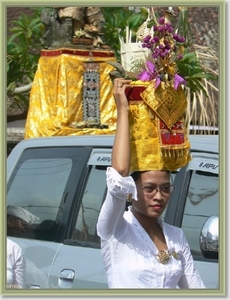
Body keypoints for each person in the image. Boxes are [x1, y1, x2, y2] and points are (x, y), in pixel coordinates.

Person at [96, 78, 206, 288]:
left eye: (165, 188)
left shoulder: (176, 236)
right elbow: (119, 175)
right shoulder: (115, 229)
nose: (158, 196)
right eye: (149, 189)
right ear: (132, 191)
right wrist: (123, 110)